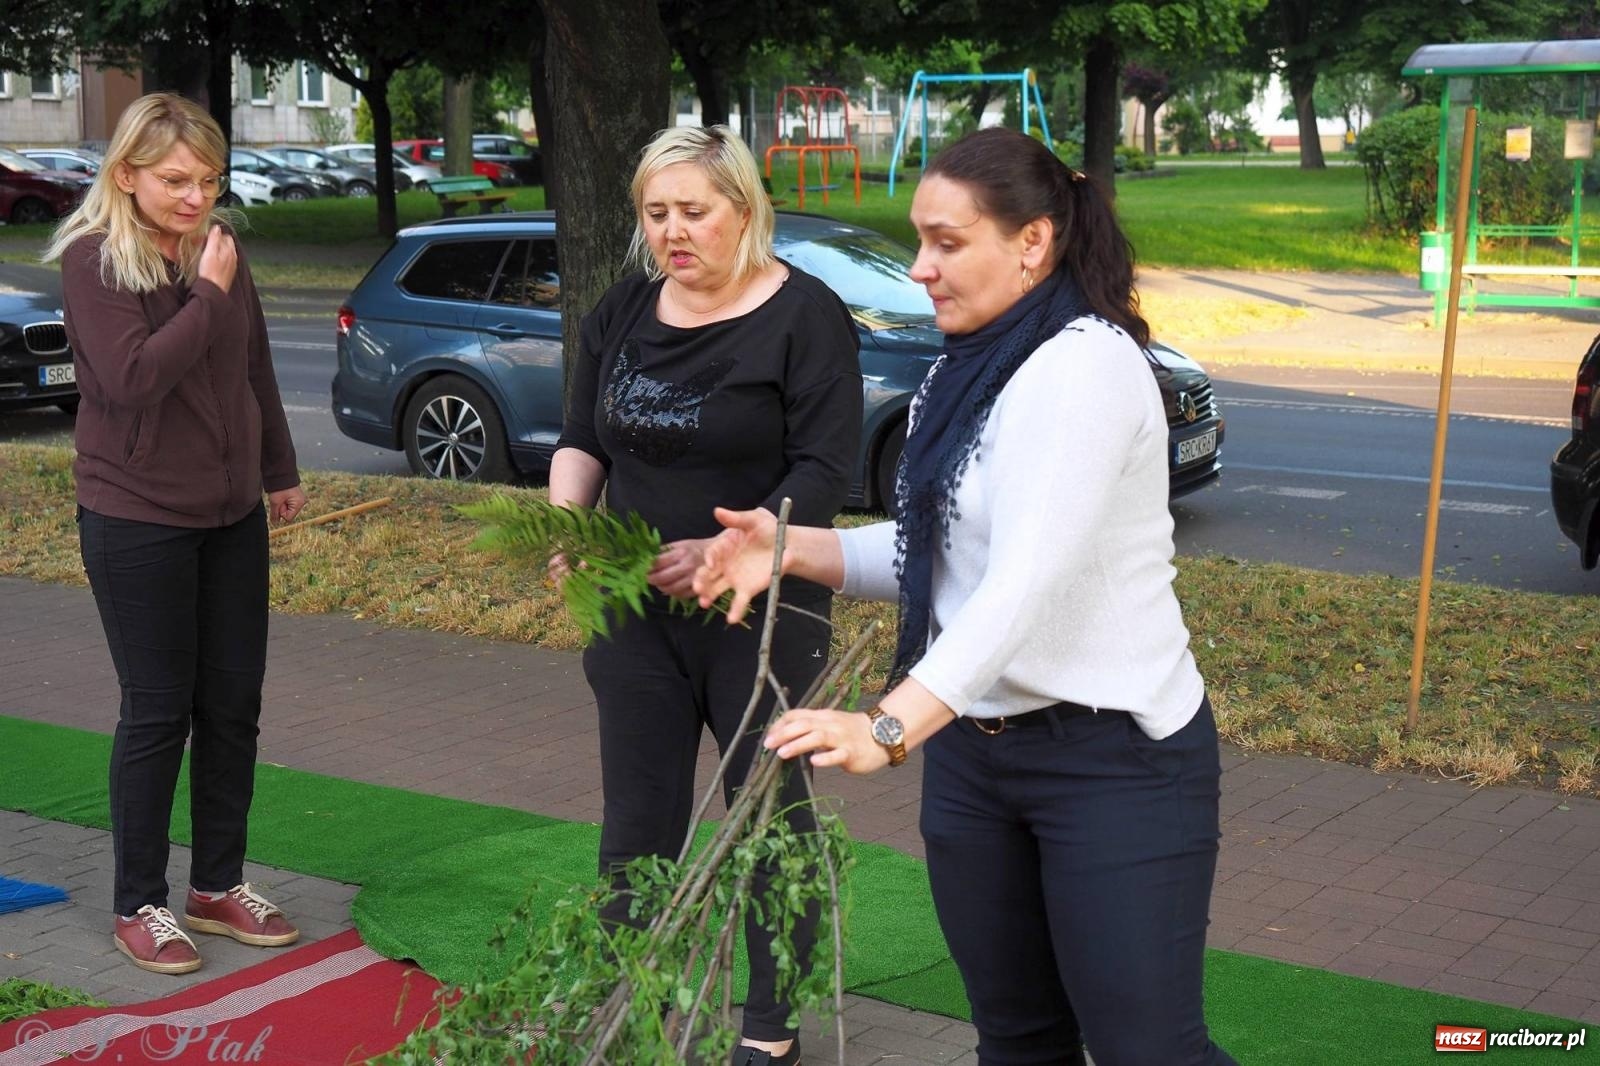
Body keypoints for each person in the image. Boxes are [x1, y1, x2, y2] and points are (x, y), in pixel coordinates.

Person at [692, 128, 1238, 1066]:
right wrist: (790, 548)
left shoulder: (1082, 367)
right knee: (1019, 1041)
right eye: (919, 239)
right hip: (979, 767)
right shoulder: (969, 364)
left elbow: (1020, 586)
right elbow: (938, 554)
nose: (920, 268)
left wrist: (890, 725)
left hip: (1111, 762)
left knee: (1146, 1048)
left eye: (947, 242)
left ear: (1032, 241)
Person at [549, 124, 862, 1066]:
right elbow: (581, 437)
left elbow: (826, 466)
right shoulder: (624, 310)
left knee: (768, 817)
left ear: (743, 208)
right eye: (656, 214)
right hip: (636, 611)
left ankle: (768, 1032)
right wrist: (569, 525)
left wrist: (742, 546)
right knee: (637, 822)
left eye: (694, 211)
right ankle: (625, 1008)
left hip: (763, 611)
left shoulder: (806, 315)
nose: (673, 232)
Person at [44, 92, 306, 975]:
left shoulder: (219, 251)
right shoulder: (94, 262)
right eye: (176, 181)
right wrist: (204, 291)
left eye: (210, 180)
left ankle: (217, 885)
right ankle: (138, 902)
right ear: (127, 175)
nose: (197, 198)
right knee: (158, 711)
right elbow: (132, 381)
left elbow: (254, 368)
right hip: (135, 516)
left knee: (232, 707)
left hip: (230, 515)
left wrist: (279, 471)